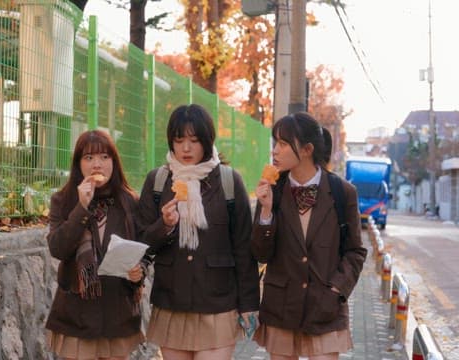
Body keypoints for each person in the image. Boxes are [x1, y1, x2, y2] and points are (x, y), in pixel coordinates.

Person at [136, 104, 260, 359]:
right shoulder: (158, 181)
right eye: (179, 140)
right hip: (172, 304)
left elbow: (243, 248)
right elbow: (142, 243)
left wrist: (248, 305)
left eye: (194, 140)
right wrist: (165, 225)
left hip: (218, 304)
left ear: (207, 140)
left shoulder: (228, 181)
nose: (186, 148)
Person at [251, 112, 367, 360]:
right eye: (275, 144)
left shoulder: (342, 191)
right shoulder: (272, 190)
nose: (275, 152)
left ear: (306, 149)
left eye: (282, 144)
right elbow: (260, 253)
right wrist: (266, 211)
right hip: (281, 306)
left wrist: (336, 289)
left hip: (325, 308)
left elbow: (355, 251)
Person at [45, 130, 145, 360]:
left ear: (114, 162)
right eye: (88, 158)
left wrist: (139, 271)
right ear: (78, 164)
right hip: (76, 315)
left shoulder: (129, 202)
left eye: (104, 157)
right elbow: (58, 248)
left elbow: (142, 249)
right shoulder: (63, 200)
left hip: (117, 313)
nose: (97, 165)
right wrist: (81, 208)